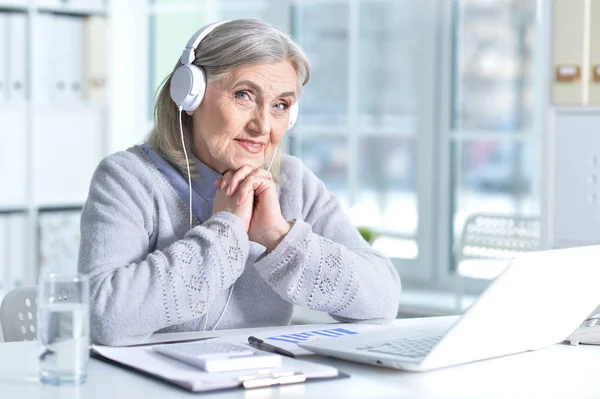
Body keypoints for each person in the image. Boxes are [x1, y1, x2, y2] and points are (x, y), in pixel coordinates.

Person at [78, 19, 401, 346]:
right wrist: (225, 230)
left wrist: (279, 235)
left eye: (280, 105)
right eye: (244, 95)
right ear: (190, 95)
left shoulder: (294, 182)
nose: (263, 125)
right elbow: (105, 317)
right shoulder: (128, 178)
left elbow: (382, 300)